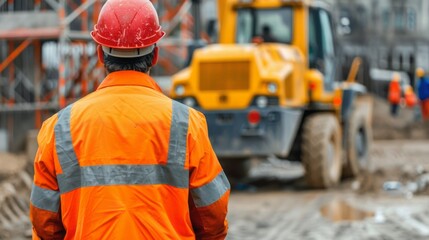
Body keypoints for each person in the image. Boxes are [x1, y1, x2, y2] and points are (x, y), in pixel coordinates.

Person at [29, 0, 230, 239]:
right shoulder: (187, 123)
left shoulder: (59, 128)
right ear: (155, 55)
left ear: (100, 55)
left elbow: (44, 222)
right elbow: (212, 216)